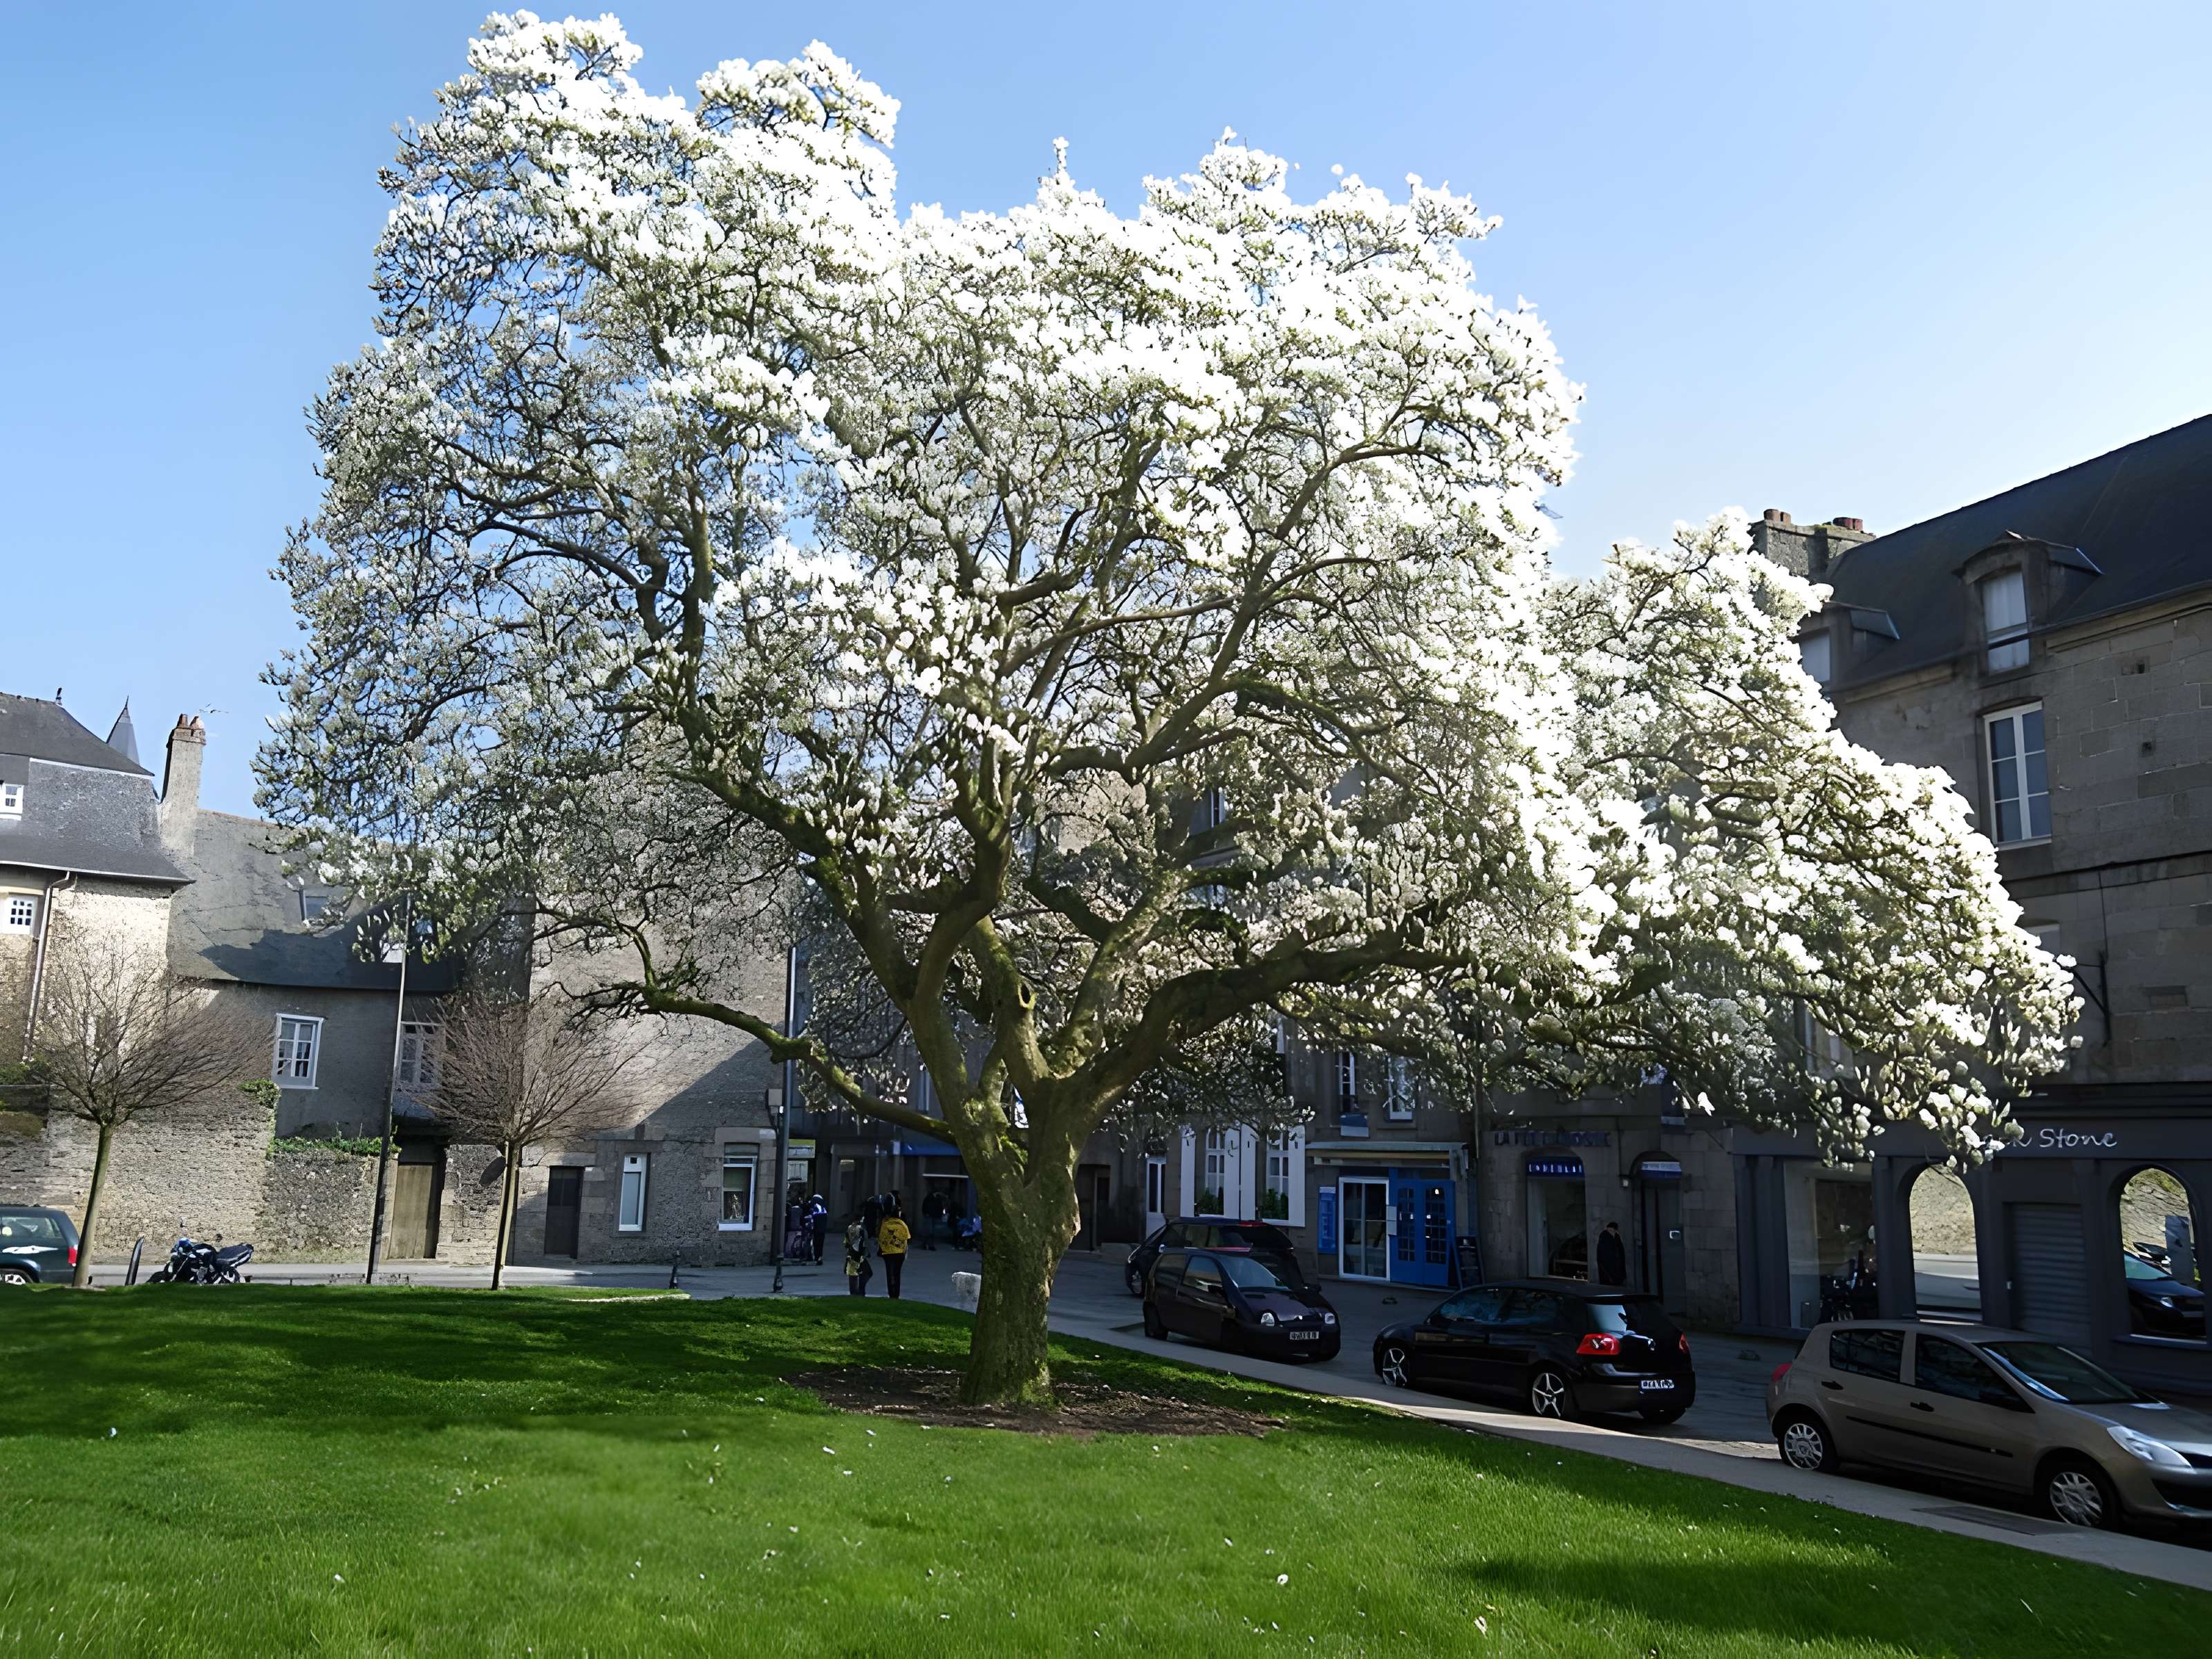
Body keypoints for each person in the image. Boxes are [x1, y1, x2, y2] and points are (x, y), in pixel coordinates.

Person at [877, 1196, 912, 1300]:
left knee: (890, 1272)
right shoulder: (902, 1224)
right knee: (897, 1273)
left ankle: (891, 1293)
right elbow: (907, 1237)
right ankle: (896, 1293)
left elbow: (881, 1238)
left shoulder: (885, 1223)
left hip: (888, 1252)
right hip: (900, 1252)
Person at [844, 1219, 872, 1297]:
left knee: (854, 1274)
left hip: (852, 1254)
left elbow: (846, 1244)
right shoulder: (861, 1230)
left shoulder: (850, 1229)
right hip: (858, 1255)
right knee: (866, 1273)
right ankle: (859, 1290)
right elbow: (864, 1244)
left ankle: (857, 1291)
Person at [1596, 1219, 1627, 1287]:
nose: (1612, 1231)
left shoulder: (1616, 1236)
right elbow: (1603, 1253)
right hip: (1608, 1264)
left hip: (1616, 1264)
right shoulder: (1604, 1235)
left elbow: (1620, 1250)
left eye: (1612, 1230)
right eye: (1610, 1230)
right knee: (1609, 1283)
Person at [920, 1187, 946, 1251]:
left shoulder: (936, 1198)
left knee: (931, 1231)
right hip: (930, 1216)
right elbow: (925, 1206)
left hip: (932, 1216)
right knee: (930, 1231)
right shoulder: (930, 1198)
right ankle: (928, 1245)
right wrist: (926, 1213)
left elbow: (940, 1207)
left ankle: (928, 1245)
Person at [807, 1194, 830, 1265]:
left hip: (816, 1227)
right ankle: (819, 1256)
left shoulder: (813, 1202)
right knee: (821, 1242)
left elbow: (808, 1209)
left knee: (815, 1242)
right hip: (822, 1228)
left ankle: (816, 1257)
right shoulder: (824, 1205)